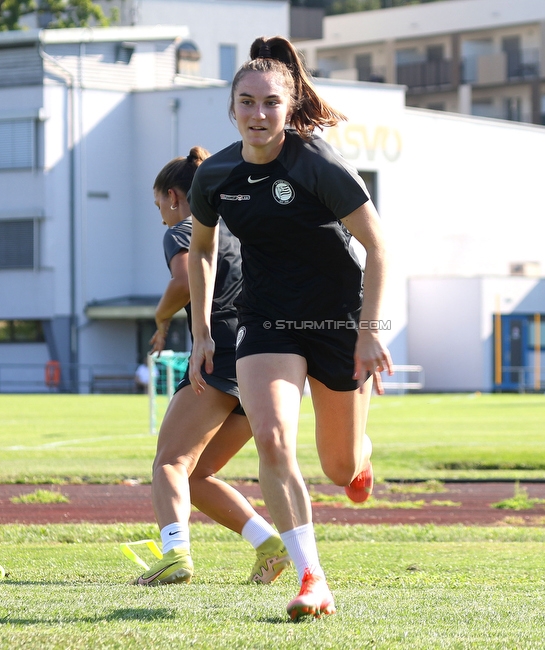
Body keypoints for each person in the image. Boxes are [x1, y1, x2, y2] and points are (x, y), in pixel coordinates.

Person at [186, 36, 392, 620]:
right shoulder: (217, 174)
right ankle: (312, 579)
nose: (258, 114)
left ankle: (362, 453)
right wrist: (202, 330)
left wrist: (369, 332)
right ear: (232, 107)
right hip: (266, 321)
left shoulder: (316, 162)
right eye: (246, 102)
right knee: (274, 441)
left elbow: (378, 248)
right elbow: (202, 249)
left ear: (289, 103)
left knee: (339, 468)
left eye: (270, 103)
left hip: (336, 321)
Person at [132, 147, 291, 588]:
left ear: (174, 195)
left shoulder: (187, 227)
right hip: (258, 358)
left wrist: (162, 319)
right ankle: (268, 544)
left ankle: (174, 554)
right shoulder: (238, 230)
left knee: (169, 462)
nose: (161, 215)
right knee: (198, 474)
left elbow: (183, 281)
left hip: (218, 351)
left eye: (159, 204)